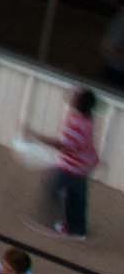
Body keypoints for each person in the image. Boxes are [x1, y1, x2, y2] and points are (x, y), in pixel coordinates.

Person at [50, 87, 101, 240]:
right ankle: (78, 229)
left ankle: (72, 227)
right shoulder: (87, 118)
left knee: (55, 190)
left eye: (75, 96)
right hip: (82, 165)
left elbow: (65, 146)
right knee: (77, 197)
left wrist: (38, 138)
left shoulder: (77, 123)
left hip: (72, 167)